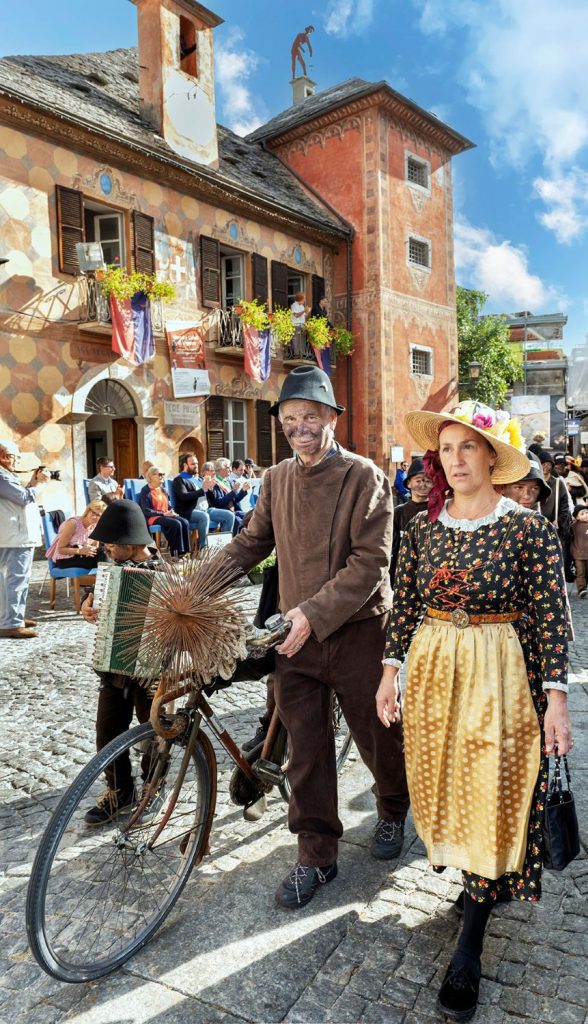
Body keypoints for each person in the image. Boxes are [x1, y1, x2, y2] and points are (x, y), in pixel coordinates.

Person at [375, 400, 571, 1021]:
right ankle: (475, 881)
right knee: (445, 786)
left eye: (468, 447)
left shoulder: (527, 528)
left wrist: (556, 701)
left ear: (492, 457)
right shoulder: (422, 527)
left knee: (491, 791)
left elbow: (551, 616)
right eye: (447, 449)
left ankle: (469, 946)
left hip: (500, 673)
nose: (456, 460)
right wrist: (389, 672)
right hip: (435, 672)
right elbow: (405, 605)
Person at [210, 365, 409, 909]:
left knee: (377, 736)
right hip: (295, 639)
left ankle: (393, 807)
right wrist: (195, 587)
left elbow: (371, 564)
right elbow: (250, 543)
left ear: (331, 419)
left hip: (359, 631)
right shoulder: (276, 479)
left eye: (310, 417)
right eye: (290, 418)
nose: (300, 427)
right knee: (306, 750)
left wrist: (311, 614)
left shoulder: (365, 477)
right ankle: (316, 854)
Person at [80, 500, 161, 822]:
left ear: (132, 542)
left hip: (151, 673)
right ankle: (120, 791)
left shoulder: (164, 574)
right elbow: (94, 599)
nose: (106, 548)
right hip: (113, 670)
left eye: (112, 543)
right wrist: (87, 606)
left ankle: (153, 788)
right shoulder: (112, 569)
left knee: (152, 734)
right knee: (107, 734)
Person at [0, 440, 49, 638]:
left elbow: (20, 496)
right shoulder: (2, 475)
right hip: (15, 537)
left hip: (13, 535)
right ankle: (12, 622)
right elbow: (23, 498)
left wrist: (32, 483)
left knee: (10, 580)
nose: (17, 461)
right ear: (4, 456)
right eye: (16, 457)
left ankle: (12, 618)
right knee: (17, 579)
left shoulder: (5, 475)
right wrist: (41, 484)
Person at [172, 453, 235, 547]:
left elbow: (211, 498)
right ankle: (203, 547)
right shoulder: (179, 480)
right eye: (193, 464)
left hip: (206, 509)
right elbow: (184, 496)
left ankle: (224, 546)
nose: (196, 466)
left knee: (229, 515)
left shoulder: (200, 479)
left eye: (197, 463)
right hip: (189, 511)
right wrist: (202, 490)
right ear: (185, 465)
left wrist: (211, 489)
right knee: (204, 516)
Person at [390, 457, 432, 583]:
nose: (423, 484)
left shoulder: (439, 513)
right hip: (402, 574)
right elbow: (391, 546)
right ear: (408, 483)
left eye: (428, 481)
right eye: (418, 480)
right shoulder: (398, 513)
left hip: (430, 576)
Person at [139, 467, 191, 558]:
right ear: (151, 476)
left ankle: (186, 552)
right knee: (176, 524)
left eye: (163, 474)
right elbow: (146, 510)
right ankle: (176, 553)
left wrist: (172, 511)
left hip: (165, 515)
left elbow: (168, 505)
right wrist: (163, 514)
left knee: (185, 522)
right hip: (153, 517)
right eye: (160, 474)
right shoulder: (145, 490)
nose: (162, 476)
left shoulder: (163, 490)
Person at [45, 500, 107, 570]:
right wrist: (81, 551)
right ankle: (106, 576)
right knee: (101, 561)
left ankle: (108, 576)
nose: (95, 517)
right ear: (88, 510)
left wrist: (90, 549)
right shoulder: (73, 523)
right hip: (65, 558)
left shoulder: (95, 525)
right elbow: (60, 549)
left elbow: (95, 547)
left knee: (106, 554)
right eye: (93, 513)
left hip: (81, 555)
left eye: (99, 515)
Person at [200, 462, 243, 533]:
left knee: (248, 516)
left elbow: (234, 500)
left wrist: (242, 491)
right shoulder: (202, 481)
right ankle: (229, 539)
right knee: (235, 519)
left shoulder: (217, 482)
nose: (213, 472)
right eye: (210, 470)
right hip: (211, 509)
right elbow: (217, 503)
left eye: (213, 470)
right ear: (203, 472)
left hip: (228, 509)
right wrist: (210, 489)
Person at [570, 504, 588, 597]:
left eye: (587, 512)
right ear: (577, 517)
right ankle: (581, 589)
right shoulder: (574, 526)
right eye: (582, 514)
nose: (586, 515)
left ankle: (584, 587)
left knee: (587, 572)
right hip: (578, 554)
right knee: (580, 572)